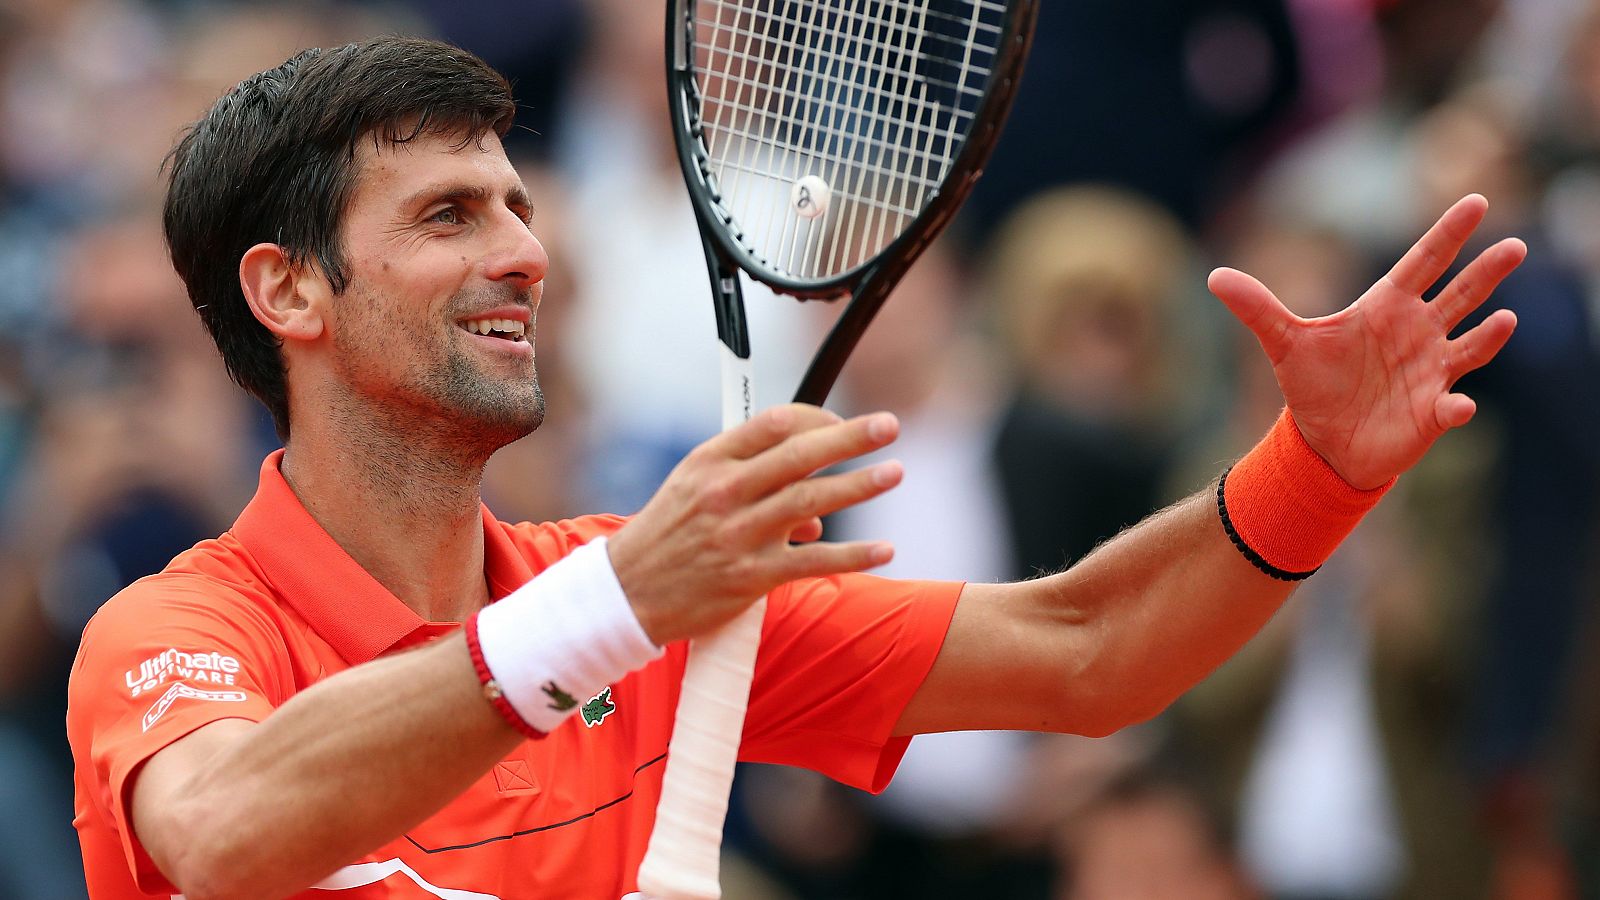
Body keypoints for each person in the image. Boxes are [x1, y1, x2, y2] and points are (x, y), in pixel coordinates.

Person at [65, 36, 1525, 900]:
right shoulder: (183, 633)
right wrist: (615, 609)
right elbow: (222, 830)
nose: (524, 250)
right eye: (448, 215)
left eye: (519, 201)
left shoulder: (648, 594)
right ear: (287, 293)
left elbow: (1094, 650)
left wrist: (1316, 469)